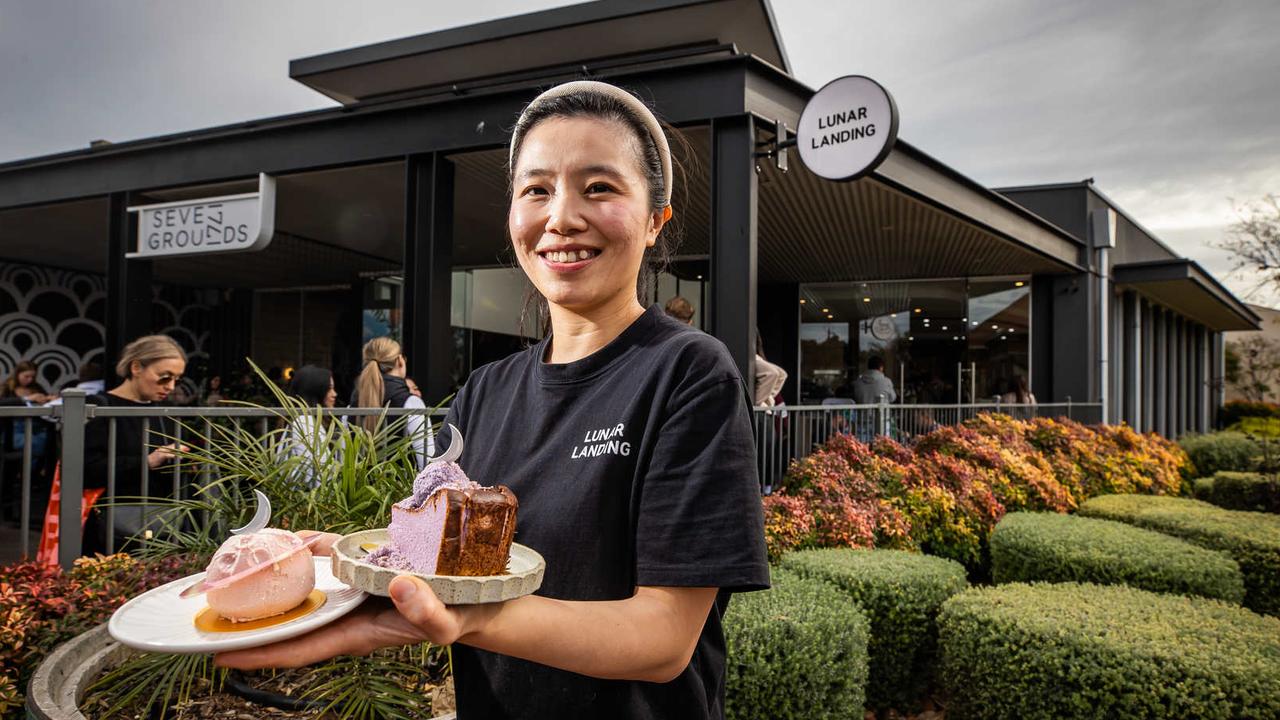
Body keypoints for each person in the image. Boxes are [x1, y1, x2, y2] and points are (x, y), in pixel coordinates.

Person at [219, 80, 770, 719]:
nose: (561, 217)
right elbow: (459, 562)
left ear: (654, 221)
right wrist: (361, 568)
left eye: (600, 188)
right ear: (512, 216)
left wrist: (467, 621)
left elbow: (663, 639)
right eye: (536, 190)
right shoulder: (486, 389)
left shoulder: (686, 371)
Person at [80, 335, 188, 555]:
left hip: (162, 530)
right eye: (164, 377)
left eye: (177, 379)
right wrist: (147, 461)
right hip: (108, 534)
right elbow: (86, 470)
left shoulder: (166, 413)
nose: (171, 386)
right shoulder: (99, 407)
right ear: (136, 367)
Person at [350, 337, 433, 467]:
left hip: (359, 487)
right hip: (401, 486)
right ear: (400, 360)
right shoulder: (411, 402)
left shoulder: (353, 404)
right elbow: (427, 458)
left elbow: (343, 456)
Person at [285, 365, 339, 486]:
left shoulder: (306, 420)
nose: (334, 394)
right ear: (315, 390)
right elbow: (316, 471)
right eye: (329, 389)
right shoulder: (305, 422)